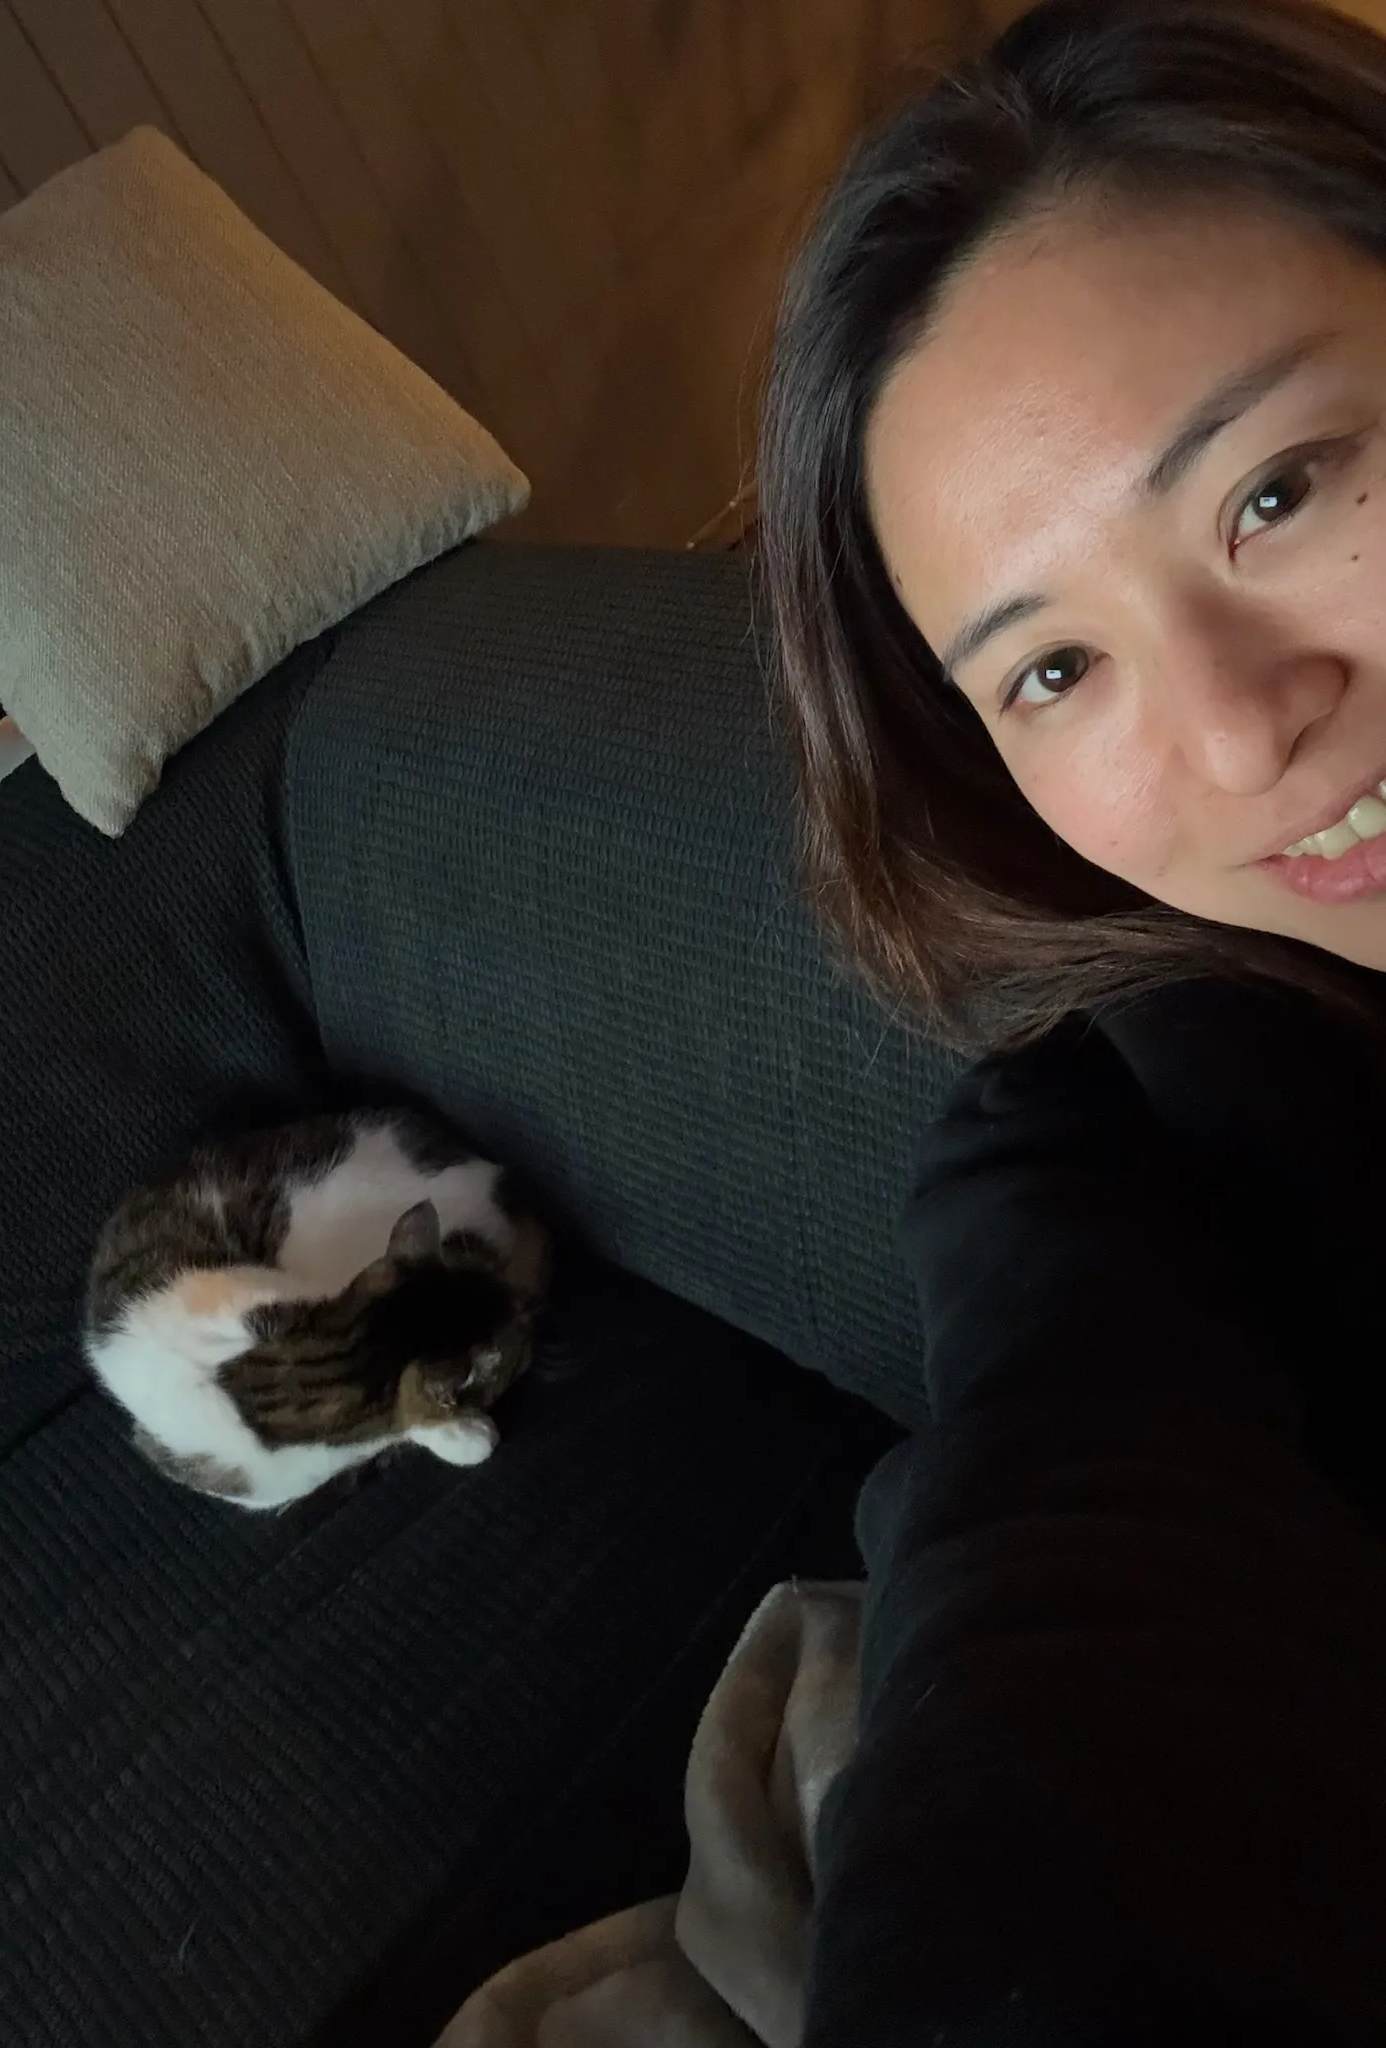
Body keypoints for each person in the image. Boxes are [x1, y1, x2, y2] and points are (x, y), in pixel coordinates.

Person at [756, 0, 1386, 2041]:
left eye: (1276, 492)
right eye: (1051, 671)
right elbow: (1076, 1561)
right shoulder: (1113, 1153)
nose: (1238, 736)